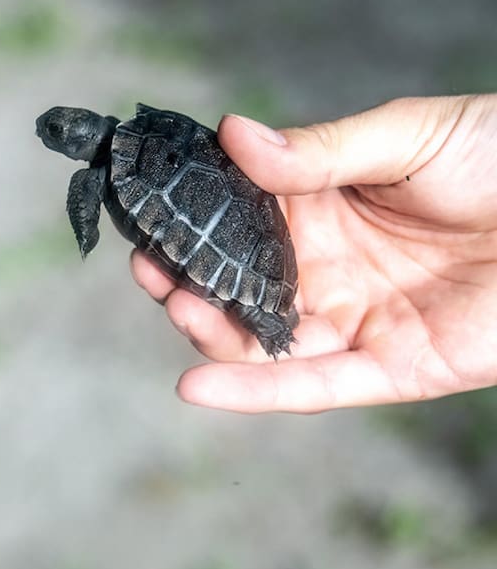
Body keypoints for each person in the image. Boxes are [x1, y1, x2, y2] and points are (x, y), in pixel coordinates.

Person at [128, 94, 497, 414]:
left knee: (249, 311)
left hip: (245, 253)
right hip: (256, 257)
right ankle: (270, 320)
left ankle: (271, 325)